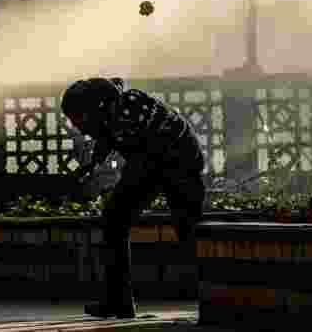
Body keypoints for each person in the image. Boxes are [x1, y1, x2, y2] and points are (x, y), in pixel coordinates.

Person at [61, 77, 206, 319]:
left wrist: (117, 188)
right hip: (159, 161)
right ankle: (118, 302)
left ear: (96, 109)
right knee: (116, 221)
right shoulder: (116, 107)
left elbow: (138, 164)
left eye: (78, 118)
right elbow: (108, 138)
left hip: (179, 163)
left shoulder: (124, 116)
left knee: (185, 230)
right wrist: (92, 164)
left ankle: (221, 296)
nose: (77, 126)